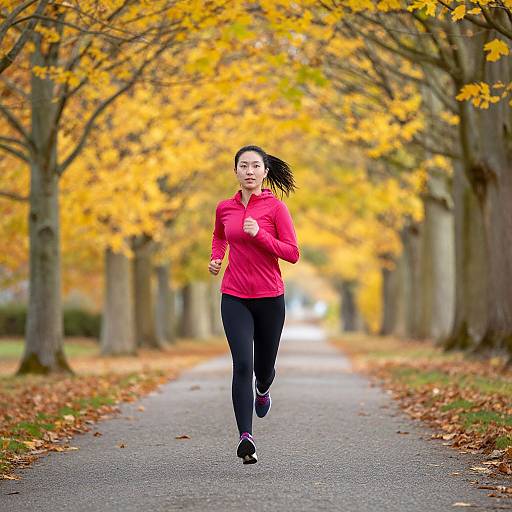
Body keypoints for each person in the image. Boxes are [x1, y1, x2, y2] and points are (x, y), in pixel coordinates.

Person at [208, 145, 300, 465]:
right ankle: (245, 437)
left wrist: (260, 234)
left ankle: (263, 389)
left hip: (269, 298)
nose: (249, 171)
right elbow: (220, 236)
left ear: (265, 172)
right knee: (242, 365)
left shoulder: (276, 210)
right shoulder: (224, 208)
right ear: (235, 171)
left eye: (255, 166)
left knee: (262, 369)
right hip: (234, 296)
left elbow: (292, 253)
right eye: (243, 165)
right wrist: (217, 257)